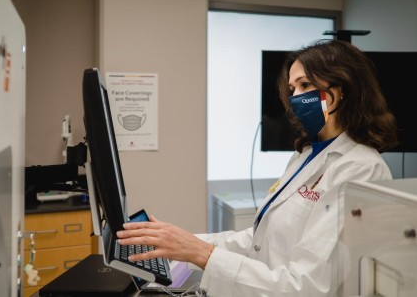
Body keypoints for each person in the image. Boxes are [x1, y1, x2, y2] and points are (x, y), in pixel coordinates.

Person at [117, 39, 399, 296]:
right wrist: (182, 243)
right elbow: (259, 240)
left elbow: (309, 285)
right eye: (291, 89)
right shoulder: (306, 156)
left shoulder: (360, 169)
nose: (295, 97)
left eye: (304, 85)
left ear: (342, 89)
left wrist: (202, 253)